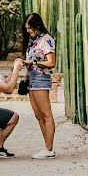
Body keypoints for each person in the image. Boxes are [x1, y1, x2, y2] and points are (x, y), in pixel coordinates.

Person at [22, 13, 56, 159]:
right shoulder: (33, 41)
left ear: (37, 26)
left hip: (41, 78)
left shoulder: (47, 40)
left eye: (30, 28)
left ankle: (49, 149)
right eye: (27, 28)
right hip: (31, 79)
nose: (28, 31)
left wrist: (34, 63)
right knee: (38, 115)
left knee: (46, 114)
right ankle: (47, 147)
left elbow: (51, 63)